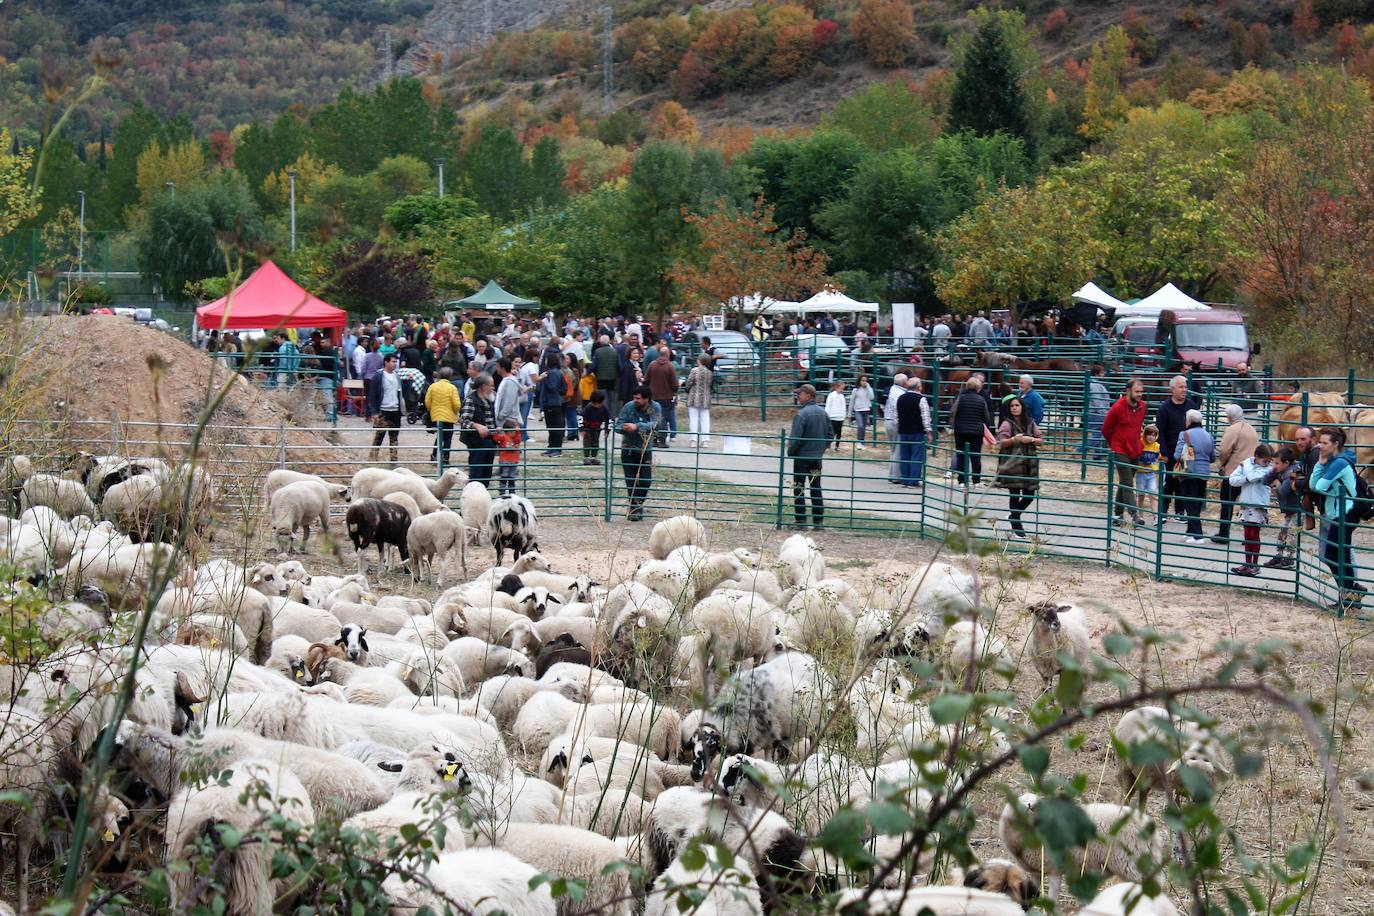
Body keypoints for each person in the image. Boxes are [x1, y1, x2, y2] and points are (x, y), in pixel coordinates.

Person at [1310, 426, 1367, 612]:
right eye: (1320, 442)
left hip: (1346, 512)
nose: (1321, 446)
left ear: (1335, 444)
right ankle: (1351, 593)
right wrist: (1320, 462)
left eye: (1325, 443)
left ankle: (1351, 595)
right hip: (1337, 512)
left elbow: (1319, 485)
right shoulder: (1332, 461)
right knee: (1336, 555)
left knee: (1337, 555)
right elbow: (1313, 485)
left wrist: (1322, 465)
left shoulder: (1339, 463)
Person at [995, 396, 1044, 540]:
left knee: (1030, 494)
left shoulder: (1031, 422)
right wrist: (1014, 440)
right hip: (1013, 463)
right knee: (1015, 493)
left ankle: (1013, 515)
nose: (1014, 408)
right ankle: (1017, 525)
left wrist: (1032, 440)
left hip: (1029, 464)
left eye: (1017, 405)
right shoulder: (1006, 424)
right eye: (1012, 406)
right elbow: (1001, 442)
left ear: (1022, 407)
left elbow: (1041, 440)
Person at [1102, 377, 1148, 527]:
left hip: (1135, 448)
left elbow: (1138, 427)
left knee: (1124, 482)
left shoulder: (1143, 406)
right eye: (1137, 391)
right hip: (1120, 448)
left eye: (1141, 391)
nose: (1140, 394)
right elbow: (1106, 429)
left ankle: (1117, 514)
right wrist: (1113, 445)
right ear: (1128, 391)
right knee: (1128, 482)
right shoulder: (1117, 407)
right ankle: (1134, 514)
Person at [614, 386, 661, 521]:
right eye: (634, 398)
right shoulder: (629, 407)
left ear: (647, 399)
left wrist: (637, 427)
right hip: (628, 448)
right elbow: (618, 425)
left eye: (638, 398)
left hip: (645, 449)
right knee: (631, 480)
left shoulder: (653, 408)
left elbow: (655, 424)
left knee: (646, 481)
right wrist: (625, 428)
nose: (635, 401)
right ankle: (635, 508)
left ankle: (638, 503)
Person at [1155, 375, 1198, 522]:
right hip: (1170, 453)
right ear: (1172, 389)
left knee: (1183, 482)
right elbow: (1160, 432)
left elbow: (1198, 429)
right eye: (1181, 387)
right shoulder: (1164, 409)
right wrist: (1164, 453)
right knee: (1169, 482)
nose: (1184, 390)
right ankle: (1163, 511)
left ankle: (1180, 511)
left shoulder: (1192, 406)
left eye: (1185, 387)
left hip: (1188, 452)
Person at [1214, 403, 1259, 544]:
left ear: (1229, 417)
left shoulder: (1232, 430)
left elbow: (1224, 451)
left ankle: (1224, 533)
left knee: (1227, 502)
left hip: (1233, 472)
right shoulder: (1252, 430)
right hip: (1250, 473)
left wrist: (1222, 464)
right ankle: (1250, 537)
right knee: (1248, 505)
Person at [788, 384, 831, 529]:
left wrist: (791, 452)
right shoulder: (823, 413)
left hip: (802, 458)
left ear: (807, 395)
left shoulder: (801, 414)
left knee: (799, 487)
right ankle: (818, 522)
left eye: (800, 394)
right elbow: (830, 435)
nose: (798, 396)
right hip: (816, 458)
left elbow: (795, 438)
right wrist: (821, 449)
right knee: (816, 487)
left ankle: (801, 521)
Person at [1229, 443, 1275, 577]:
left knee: (1254, 534)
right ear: (1256, 456)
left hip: (1258, 504)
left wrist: (1246, 466)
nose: (1267, 463)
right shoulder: (1246, 465)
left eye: (1269, 461)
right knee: (1247, 534)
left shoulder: (1266, 469)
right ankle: (1247, 563)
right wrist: (1245, 478)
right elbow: (1233, 479)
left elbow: (1253, 477)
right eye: (1264, 460)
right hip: (1246, 502)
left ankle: (1254, 565)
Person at [1174, 409, 1216, 542]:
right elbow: (1213, 457)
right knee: (1196, 502)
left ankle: (1197, 534)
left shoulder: (1185, 434)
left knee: (1190, 502)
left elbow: (1177, 454)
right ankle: (1190, 531)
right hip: (1204, 472)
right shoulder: (1208, 436)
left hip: (1189, 472)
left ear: (1190, 420)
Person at [948, 377, 992, 487]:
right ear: (978, 388)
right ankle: (976, 481)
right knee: (975, 456)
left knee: (961, 455)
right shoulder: (981, 400)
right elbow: (986, 417)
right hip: (977, 431)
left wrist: (954, 424)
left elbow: (953, 412)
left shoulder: (960, 398)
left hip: (961, 431)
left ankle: (962, 480)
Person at [1265, 446, 1302, 570]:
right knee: (1283, 531)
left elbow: (1284, 490)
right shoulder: (1280, 470)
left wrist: (1277, 483)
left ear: (1286, 463)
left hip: (1298, 509)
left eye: (1277, 463)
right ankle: (1279, 555)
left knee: (1292, 532)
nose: (1274, 466)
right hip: (1288, 509)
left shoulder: (1294, 472)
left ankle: (1289, 558)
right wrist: (1274, 473)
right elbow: (1264, 480)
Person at [460, 373, 498, 488]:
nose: (493, 388)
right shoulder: (471, 400)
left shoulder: (488, 399)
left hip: (489, 440)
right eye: (491, 385)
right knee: (476, 473)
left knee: (487, 473)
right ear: (483, 386)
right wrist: (476, 426)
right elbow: (463, 420)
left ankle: (483, 495)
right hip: (476, 441)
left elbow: (490, 419)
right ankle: (473, 495)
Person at [895, 377, 932, 489]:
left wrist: (899, 428)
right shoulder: (921, 399)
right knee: (916, 456)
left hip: (903, 430)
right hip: (917, 431)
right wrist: (928, 431)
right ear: (919, 387)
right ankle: (913, 481)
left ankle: (905, 479)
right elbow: (925, 417)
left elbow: (896, 417)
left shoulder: (900, 398)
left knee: (905, 456)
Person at [367, 354, 403, 465]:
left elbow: (399, 391)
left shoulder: (397, 376)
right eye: (392, 361)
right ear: (386, 362)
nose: (394, 364)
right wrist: (374, 411)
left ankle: (393, 458)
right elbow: (372, 395)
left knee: (394, 435)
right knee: (380, 435)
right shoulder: (378, 376)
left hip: (395, 409)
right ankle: (373, 456)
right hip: (383, 409)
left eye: (396, 362)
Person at [425, 367, 462, 469]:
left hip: (436, 415)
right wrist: (455, 412)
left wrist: (431, 410)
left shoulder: (433, 386)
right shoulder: (452, 388)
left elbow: (427, 401)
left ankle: (434, 455)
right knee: (448, 438)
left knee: (439, 436)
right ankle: (445, 458)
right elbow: (456, 404)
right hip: (449, 416)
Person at [646, 346, 679, 447]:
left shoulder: (652, 365)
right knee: (663, 419)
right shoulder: (670, 366)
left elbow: (646, 380)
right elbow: (674, 384)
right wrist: (675, 393)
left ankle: (654, 440)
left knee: (653, 418)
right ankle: (662, 441)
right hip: (666, 398)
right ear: (668, 355)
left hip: (653, 397)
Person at [1292, 425, 1322, 531]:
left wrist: (1296, 484)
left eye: (1303, 439)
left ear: (1313, 439)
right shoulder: (1310, 454)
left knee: (1335, 542)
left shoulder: (1315, 454)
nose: (1299, 443)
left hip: (1333, 507)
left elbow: (1311, 481)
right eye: (1297, 439)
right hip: (1327, 507)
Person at [536, 353, 567, 457]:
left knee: (554, 427)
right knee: (552, 426)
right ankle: (552, 447)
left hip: (551, 402)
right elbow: (564, 389)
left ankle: (556, 448)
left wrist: (544, 379)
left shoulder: (551, 373)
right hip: (555, 402)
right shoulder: (559, 372)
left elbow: (552, 387)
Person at [884, 373, 910, 484]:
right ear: (904, 383)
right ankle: (896, 476)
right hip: (895, 422)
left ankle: (892, 474)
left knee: (894, 449)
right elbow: (897, 409)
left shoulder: (892, 390)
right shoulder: (900, 394)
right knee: (898, 449)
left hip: (888, 420)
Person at [683, 355, 713, 447]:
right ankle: (705, 440)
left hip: (694, 398)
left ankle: (693, 440)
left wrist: (687, 389)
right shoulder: (709, 373)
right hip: (705, 398)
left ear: (700, 361)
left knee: (694, 419)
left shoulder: (694, 371)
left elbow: (689, 383)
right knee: (705, 419)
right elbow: (710, 384)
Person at [591, 334, 621, 416]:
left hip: (601, 378)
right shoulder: (615, 351)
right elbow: (619, 366)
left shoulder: (597, 352)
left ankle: (604, 416)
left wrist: (589, 372)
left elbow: (594, 366)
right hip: (613, 379)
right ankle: (612, 417)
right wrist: (618, 375)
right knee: (612, 399)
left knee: (603, 398)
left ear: (600, 342)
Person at [491, 420, 523, 497]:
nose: (514, 433)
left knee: (512, 478)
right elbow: (496, 439)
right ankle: (502, 492)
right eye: (512, 431)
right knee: (504, 477)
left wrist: (518, 432)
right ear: (507, 431)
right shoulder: (503, 437)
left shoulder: (515, 438)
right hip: (505, 461)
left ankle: (512, 493)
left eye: (514, 431)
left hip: (514, 461)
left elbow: (518, 440)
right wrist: (497, 432)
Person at [1137, 425, 1162, 516]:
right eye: (1149, 435)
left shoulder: (1156, 446)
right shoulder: (1140, 443)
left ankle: (1156, 516)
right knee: (1140, 495)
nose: (1151, 437)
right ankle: (1140, 516)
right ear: (1145, 434)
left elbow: (1158, 457)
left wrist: (1158, 459)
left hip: (1151, 474)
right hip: (1141, 473)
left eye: (1154, 435)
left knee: (1153, 495)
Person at [581, 390, 611, 465]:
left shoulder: (604, 408)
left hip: (597, 428)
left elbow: (609, 419)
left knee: (595, 442)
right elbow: (581, 417)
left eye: (598, 403)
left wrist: (607, 430)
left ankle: (594, 458)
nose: (596, 405)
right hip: (587, 428)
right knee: (587, 442)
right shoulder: (588, 407)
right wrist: (582, 429)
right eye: (594, 403)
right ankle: (586, 458)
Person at [851, 375, 874, 450]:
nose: (864, 382)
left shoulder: (868, 389)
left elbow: (872, 397)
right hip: (858, 410)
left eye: (865, 381)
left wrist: (869, 387)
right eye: (862, 380)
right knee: (860, 426)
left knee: (863, 427)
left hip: (866, 409)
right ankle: (859, 441)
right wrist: (849, 413)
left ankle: (862, 442)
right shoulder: (855, 390)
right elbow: (852, 401)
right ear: (859, 381)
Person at [825, 380, 848, 451]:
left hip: (840, 417)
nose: (842, 390)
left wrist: (843, 415)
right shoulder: (831, 395)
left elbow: (843, 406)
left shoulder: (842, 396)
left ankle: (837, 446)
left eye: (843, 389)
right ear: (836, 387)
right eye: (841, 388)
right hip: (833, 417)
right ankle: (828, 444)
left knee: (839, 433)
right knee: (832, 432)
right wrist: (827, 415)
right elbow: (828, 406)